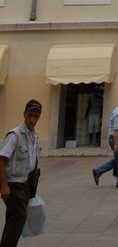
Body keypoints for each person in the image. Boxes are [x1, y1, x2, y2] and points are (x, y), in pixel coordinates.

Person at [0, 99, 41, 247]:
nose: (32, 119)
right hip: (14, 184)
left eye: (35, 116)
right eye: (30, 115)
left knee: (13, 219)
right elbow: (1, 160)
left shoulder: (34, 135)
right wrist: (4, 186)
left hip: (26, 184)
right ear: (24, 114)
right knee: (19, 217)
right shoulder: (14, 135)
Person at [93, 96, 118, 188]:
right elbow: (116, 129)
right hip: (117, 139)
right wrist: (116, 144)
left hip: (117, 139)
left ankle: (98, 171)